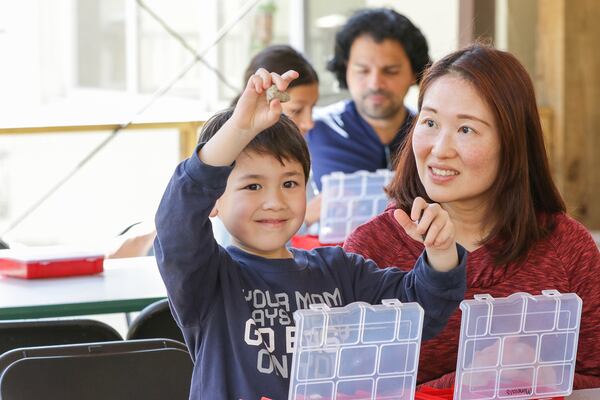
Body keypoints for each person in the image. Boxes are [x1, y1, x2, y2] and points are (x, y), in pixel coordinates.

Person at [154, 68, 467, 399]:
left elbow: (422, 314)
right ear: (215, 199)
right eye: (253, 185)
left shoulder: (341, 272)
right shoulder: (209, 279)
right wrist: (238, 129)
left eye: (290, 183)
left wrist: (441, 250)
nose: (274, 202)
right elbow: (177, 222)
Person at [344, 43, 600, 389]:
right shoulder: (372, 248)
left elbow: (594, 376)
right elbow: (346, 387)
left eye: (466, 129)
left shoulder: (567, 247)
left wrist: (543, 376)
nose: (440, 149)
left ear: (512, 142)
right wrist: (467, 383)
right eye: (430, 122)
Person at [306, 8, 430, 191]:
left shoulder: (430, 134)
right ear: (345, 69)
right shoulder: (313, 129)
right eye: (362, 70)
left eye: (390, 71)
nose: (375, 84)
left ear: (415, 72)